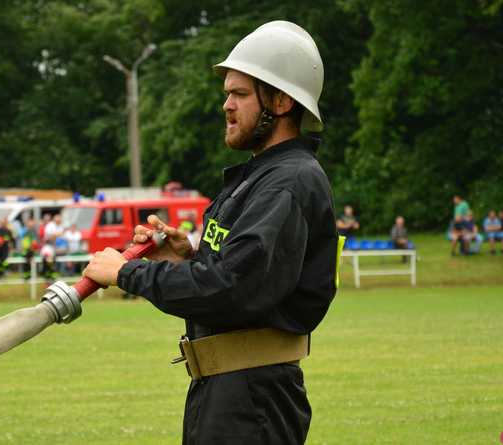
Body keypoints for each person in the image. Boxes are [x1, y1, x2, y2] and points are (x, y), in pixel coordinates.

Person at [83, 21, 336, 445]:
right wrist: (185, 259)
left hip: (251, 401)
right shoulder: (259, 176)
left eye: (239, 94)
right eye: (227, 94)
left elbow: (230, 289)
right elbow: (239, 275)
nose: (227, 105)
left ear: (281, 100)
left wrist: (125, 274)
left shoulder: (286, 183)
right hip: (229, 391)